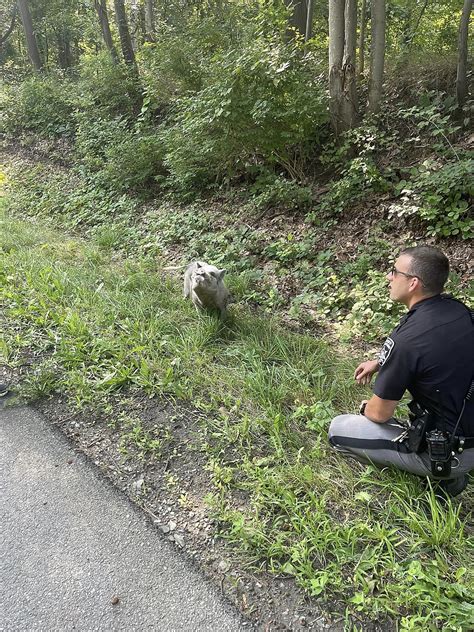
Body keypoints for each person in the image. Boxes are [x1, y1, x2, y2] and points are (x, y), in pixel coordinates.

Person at [328, 245, 474, 497]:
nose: (388, 277)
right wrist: (380, 361)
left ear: (413, 283)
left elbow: (379, 414)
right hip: (469, 427)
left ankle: (445, 478)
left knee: (338, 429)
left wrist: (366, 409)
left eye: (394, 272)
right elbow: (436, 353)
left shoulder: (409, 339)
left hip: (450, 453)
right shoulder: (458, 310)